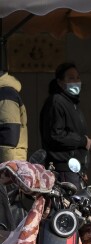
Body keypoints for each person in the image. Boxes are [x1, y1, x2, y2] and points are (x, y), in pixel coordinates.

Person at [40, 62, 91, 187]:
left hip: (74, 169)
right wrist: (82, 141)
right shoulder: (57, 102)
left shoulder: (72, 104)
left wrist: (83, 169)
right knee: (68, 206)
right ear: (60, 82)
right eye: (71, 78)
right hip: (64, 168)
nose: (76, 81)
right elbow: (55, 135)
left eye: (77, 77)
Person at [0, 69, 29, 231]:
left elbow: (9, 137)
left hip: (7, 169)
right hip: (10, 167)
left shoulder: (5, 93)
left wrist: (5, 171)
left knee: (6, 220)